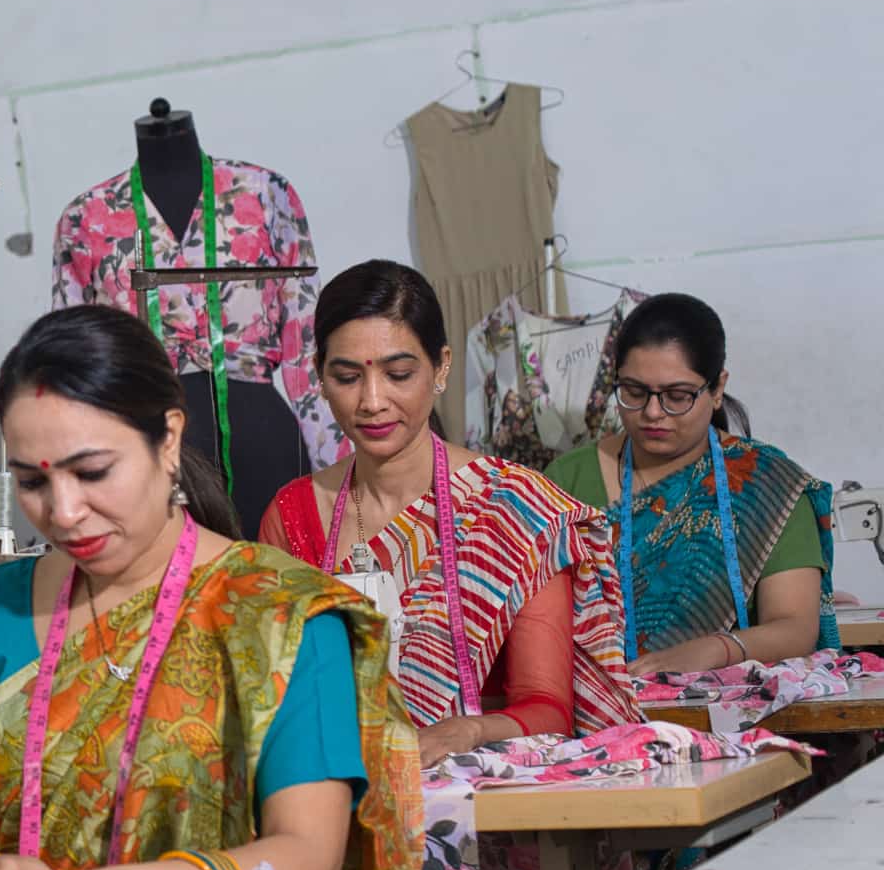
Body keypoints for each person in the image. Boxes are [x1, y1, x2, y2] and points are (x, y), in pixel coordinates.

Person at [0, 305, 421, 870]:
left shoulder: (282, 615)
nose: (62, 512)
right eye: (33, 483)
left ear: (167, 438)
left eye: (91, 472)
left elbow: (308, 858)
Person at [258, 261, 640, 766]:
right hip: (343, 790)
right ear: (320, 377)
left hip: (485, 798)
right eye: (348, 377)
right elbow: (274, 691)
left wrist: (464, 732)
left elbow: (548, 710)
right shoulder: (293, 516)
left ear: (440, 368)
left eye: (399, 374)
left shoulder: (515, 510)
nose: (373, 402)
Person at [543, 293, 837, 674]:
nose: (652, 412)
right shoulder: (567, 480)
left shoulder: (765, 485)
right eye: (633, 392)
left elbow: (795, 627)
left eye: (677, 396)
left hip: (736, 712)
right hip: (600, 711)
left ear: (716, 390)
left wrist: (715, 651)